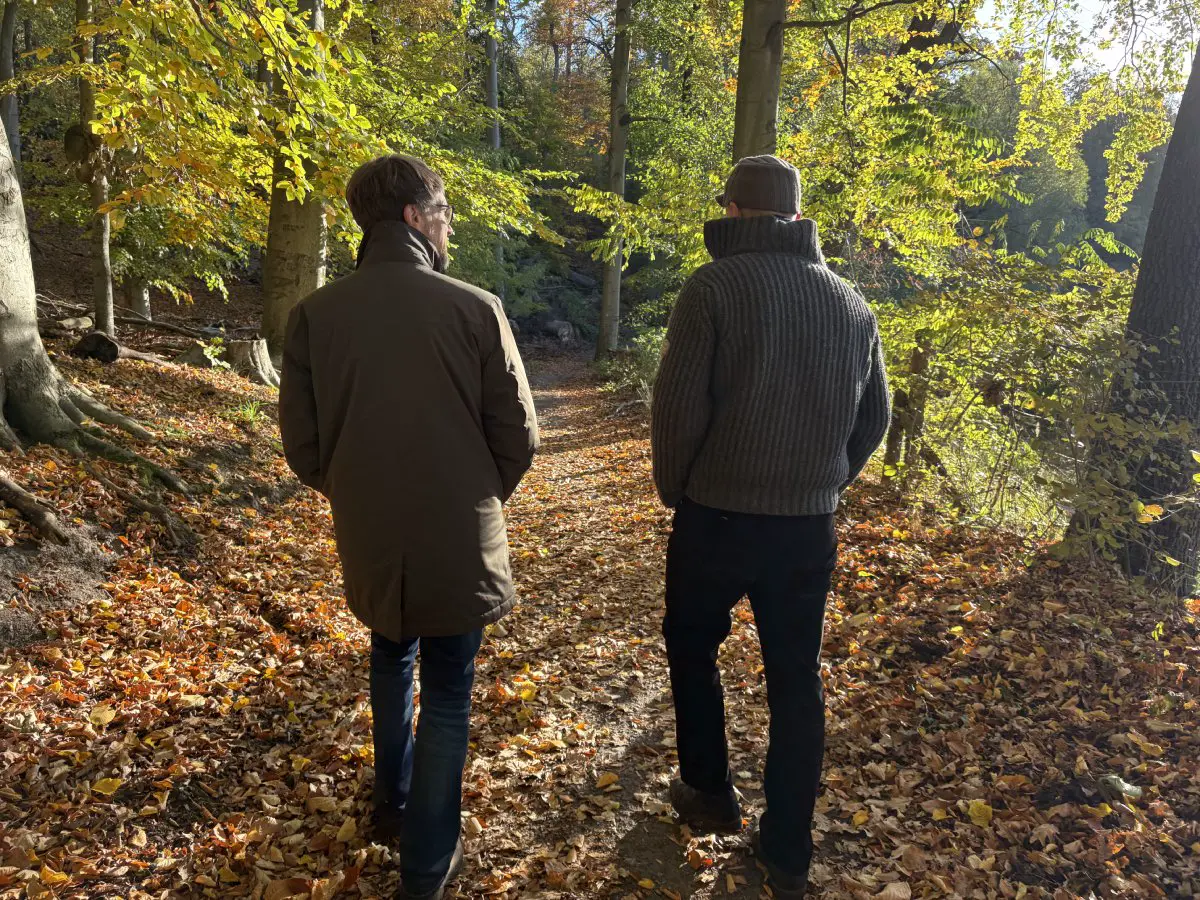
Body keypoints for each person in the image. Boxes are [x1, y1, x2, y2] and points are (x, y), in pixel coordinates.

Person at [278, 154, 539, 900]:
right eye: (445, 211)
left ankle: (390, 801)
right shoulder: (476, 307)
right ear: (414, 218)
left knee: (390, 656)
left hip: (370, 532)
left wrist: (359, 490)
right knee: (450, 688)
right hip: (461, 534)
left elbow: (304, 446)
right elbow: (519, 437)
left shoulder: (315, 316)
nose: (449, 224)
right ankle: (426, 864)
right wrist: (478, 493)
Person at [651, 155, 890, 898]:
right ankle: (787, 851)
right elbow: (874, 418)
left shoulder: (714, 286)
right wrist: (823, 480)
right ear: (794, 214)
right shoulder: (852, 301)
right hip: (807, 528)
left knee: (692, 650)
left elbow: (679, 407)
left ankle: (709, 793)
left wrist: (676, 488)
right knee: (796, 682)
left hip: (716, 517)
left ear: (734, 209)